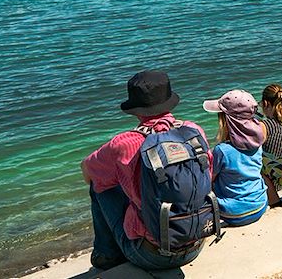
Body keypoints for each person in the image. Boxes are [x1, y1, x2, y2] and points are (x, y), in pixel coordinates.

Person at [81, 70, 210, 272]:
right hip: (197, 241)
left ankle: (106, 255)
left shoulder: (124, 143)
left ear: (136, 109)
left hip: (150, 256)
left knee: (100, 186)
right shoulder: (193, 131)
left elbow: (87, 172)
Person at [203, 89, 268, 226]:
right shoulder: (258, 141)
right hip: (260, 204)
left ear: (227, 120)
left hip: (234, 213)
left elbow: (209, 179)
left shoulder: (222, 150)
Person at [259, 83, 282, 206]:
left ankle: (274, 201)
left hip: (281, 180)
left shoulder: (265, 126)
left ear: (265, 103)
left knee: (259, 161)